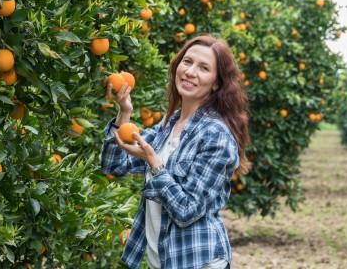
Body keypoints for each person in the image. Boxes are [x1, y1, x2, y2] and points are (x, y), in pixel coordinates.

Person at [101, 35, 251, 269]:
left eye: (203, 68)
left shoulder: (216, 135)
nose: (191, 72)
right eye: (187, 62)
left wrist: (154, 161)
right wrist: (124, 113)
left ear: (216, 83)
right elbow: (114, 164)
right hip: (162, 261)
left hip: (197, 262)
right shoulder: (169, 125)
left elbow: (186, 210)